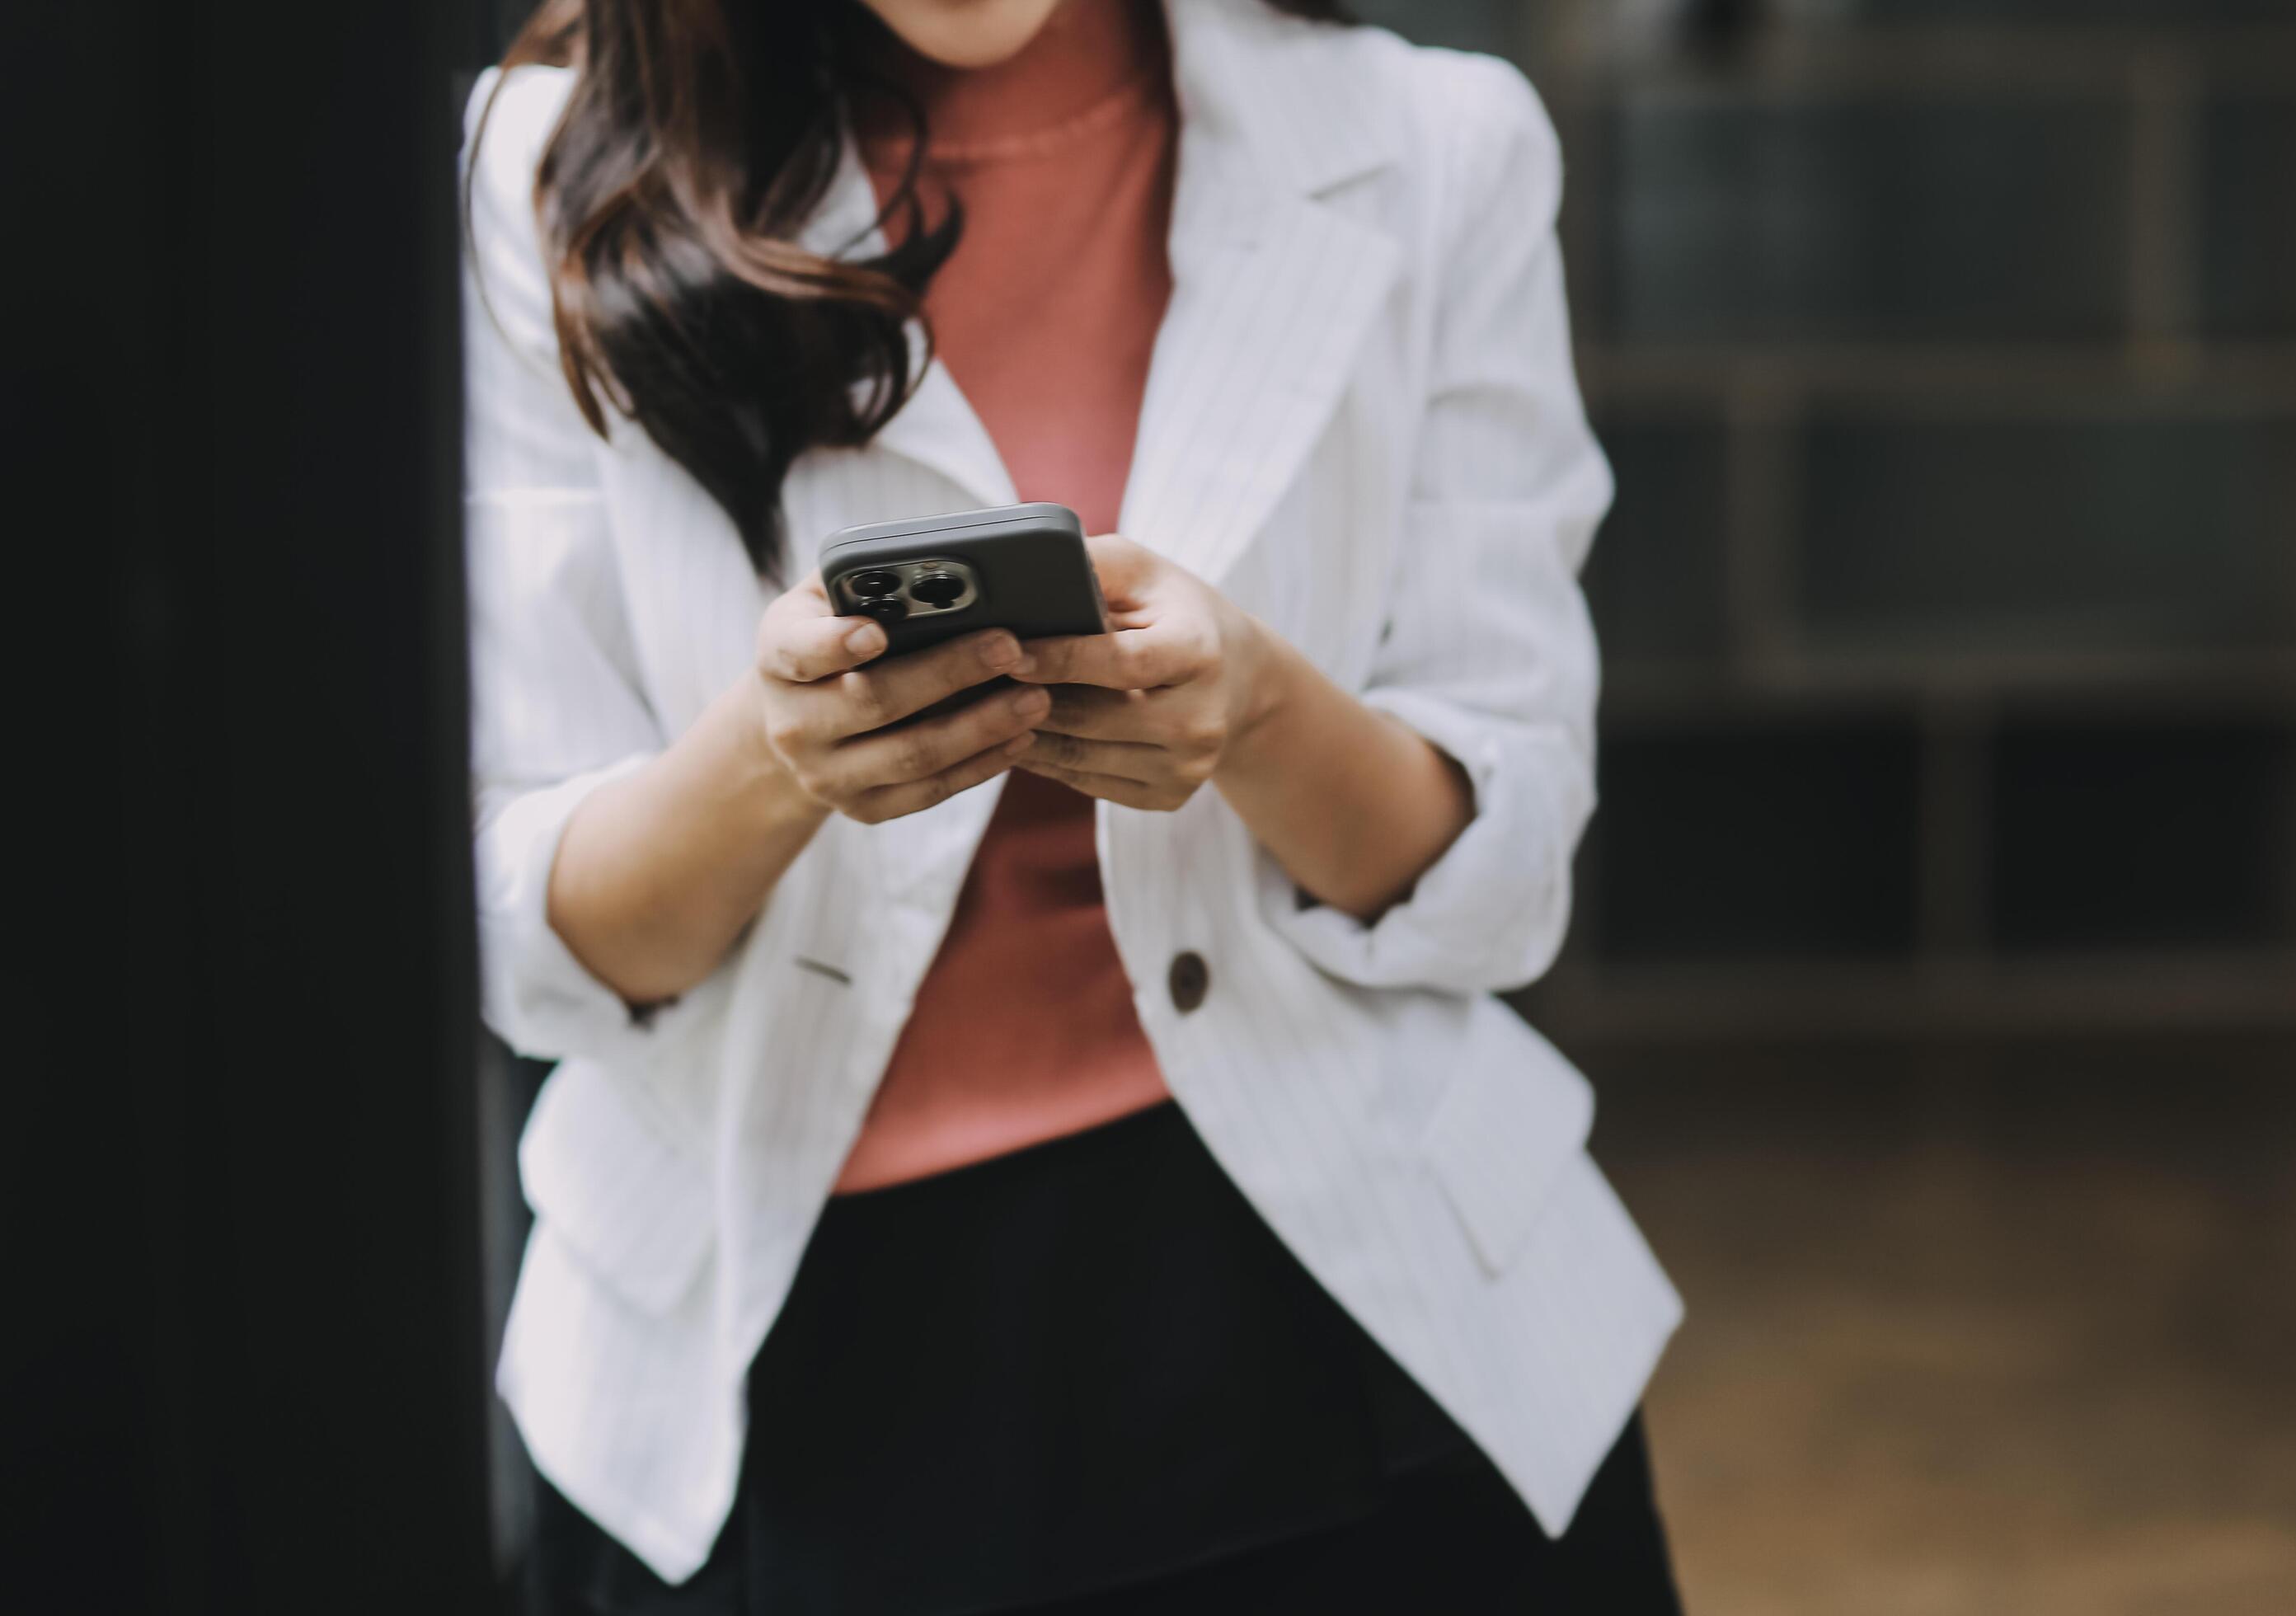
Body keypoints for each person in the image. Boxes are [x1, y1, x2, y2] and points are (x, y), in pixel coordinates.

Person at [464, 0, 1683, 1609]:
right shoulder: (540, 177)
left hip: (1356, 1329)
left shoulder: (1435, 146)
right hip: (777, 1373)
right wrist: (772, 760)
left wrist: (1255, 707)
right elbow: (519, 925)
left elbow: (1502, 865)